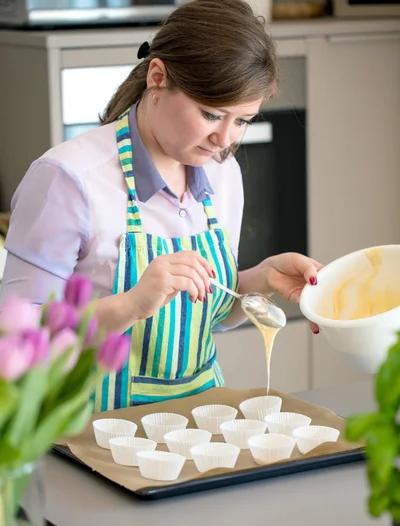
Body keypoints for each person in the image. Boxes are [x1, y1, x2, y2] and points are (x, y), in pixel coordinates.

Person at [0, 0, 322, 411]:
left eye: (241, 121)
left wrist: (259, 279)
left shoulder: (223, 176)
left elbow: (199, 320)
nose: (225, 140)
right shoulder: (68, 178)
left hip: (197, 428)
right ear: (157, 77)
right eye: (211, 114)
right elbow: (18, 336)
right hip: (85, 438)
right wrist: (131, 304)